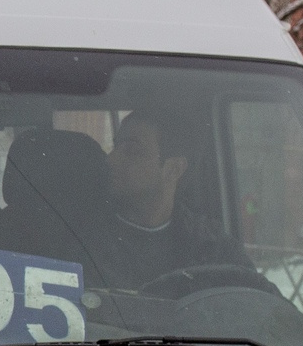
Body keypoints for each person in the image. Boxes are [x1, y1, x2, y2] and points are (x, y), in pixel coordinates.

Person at [99, 109, 252, 290]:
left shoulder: (212, 246)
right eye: (116, 146)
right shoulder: (84, 238)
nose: (111, 159)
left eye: (132, 151)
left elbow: (260, 305)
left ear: (173, 169)